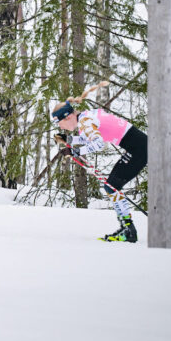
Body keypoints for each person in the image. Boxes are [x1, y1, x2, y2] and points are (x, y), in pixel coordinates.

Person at [52, 85, 147, 243]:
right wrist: (69, 140)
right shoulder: (86, 118)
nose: (61, 127)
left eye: (60, 123)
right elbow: (87, 138)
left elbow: (98, 144)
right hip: (139, 147)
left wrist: (75, 152)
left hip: (140, 149)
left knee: (112, 186)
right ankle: (127, 228)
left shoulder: (85, 122)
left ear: (68, 117)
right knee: (112, 186)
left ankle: (128, 230)